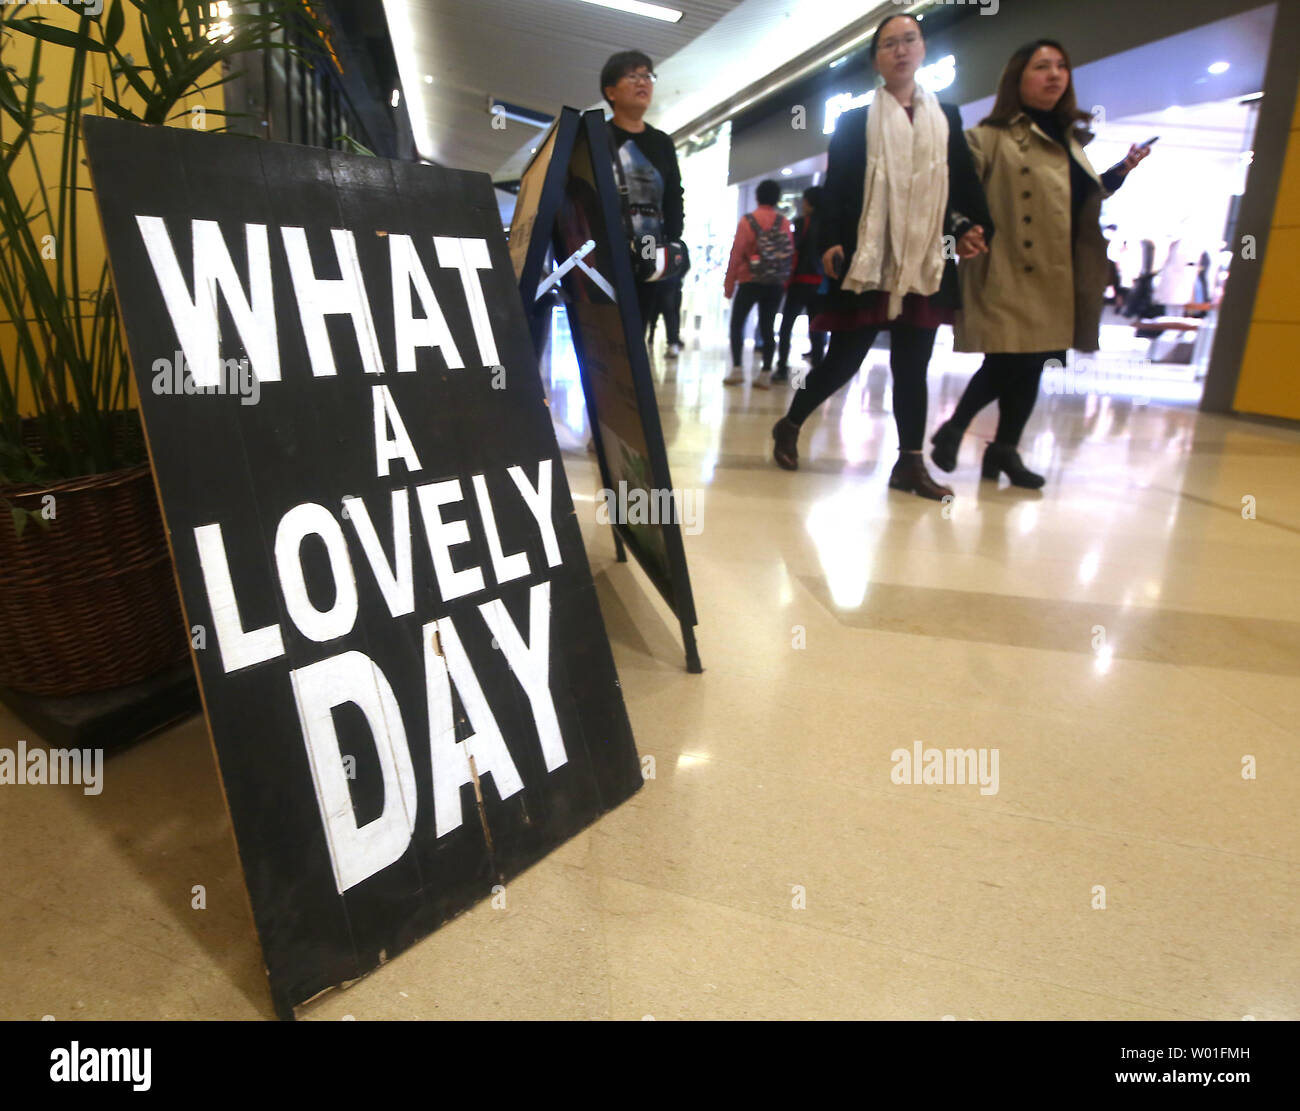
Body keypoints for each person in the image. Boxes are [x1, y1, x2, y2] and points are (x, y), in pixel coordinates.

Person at [770, 13, 992, 500]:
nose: (900, 50)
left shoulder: (946, 117)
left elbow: (961, 183)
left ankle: (909, 464)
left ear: (923, 49)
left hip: (923, 261)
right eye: (889, 44)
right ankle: (789, 424)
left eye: (909, 40)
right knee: (846, 359)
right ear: (876, 59)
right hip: (868, 259)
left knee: (912, 364)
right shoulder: (854, 122)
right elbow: (836, 190)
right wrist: (829, 241)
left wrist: (976, 227)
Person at [930, 39, 1150, 488]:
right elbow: (951, 191)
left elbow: (1080, 197)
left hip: (1059, 272)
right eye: (1041, 67)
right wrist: (962, 226)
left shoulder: (1069, 140)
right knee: (1010, 360)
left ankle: (1002, 452)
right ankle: (956, 428)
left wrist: (1121, 170)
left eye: (1061, 67)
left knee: (1034, 363)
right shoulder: (987, 137)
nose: (1055, 74)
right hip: (1007, 267)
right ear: (1018, 78)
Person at [600, 50, 684, 338]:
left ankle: (635, 383)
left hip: (650, 245)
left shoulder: (661, 142)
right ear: (611, 91)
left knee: (638, 327)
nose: (643, 83)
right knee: (608, 331)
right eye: (633, 76)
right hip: (607, 247)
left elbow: (673, 195)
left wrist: (673, 240)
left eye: (648, 76)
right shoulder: (597, 136)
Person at [723, 179, 793, 389]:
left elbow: (736, 254)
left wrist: (729, 285)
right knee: (767, 327)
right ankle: (765, 373)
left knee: (737, 323)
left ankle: (737, 369)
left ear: (757, 196)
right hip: (774, 282)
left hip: (750, 280)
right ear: (777, 199)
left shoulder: (747, 221)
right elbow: (789, 254)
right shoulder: (784, 222)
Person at [775, 185, 829, 382]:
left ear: (810, 203)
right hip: (820, 284)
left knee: (787, 326)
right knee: (816, 326)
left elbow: (792, 250)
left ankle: (782, 369)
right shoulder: (828, 225)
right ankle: (818, 370)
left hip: (799, 282)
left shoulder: (800, 222)